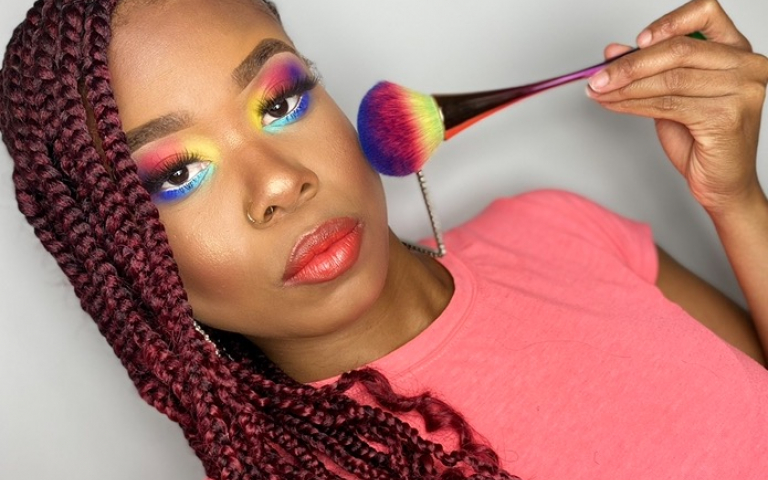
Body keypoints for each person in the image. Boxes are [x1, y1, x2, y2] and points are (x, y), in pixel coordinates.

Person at [1, 0, 767, 478]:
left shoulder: (554, 224)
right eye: (178, 174)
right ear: (125, 265)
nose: (280, 183)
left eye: (280, 102)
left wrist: (734, 200)